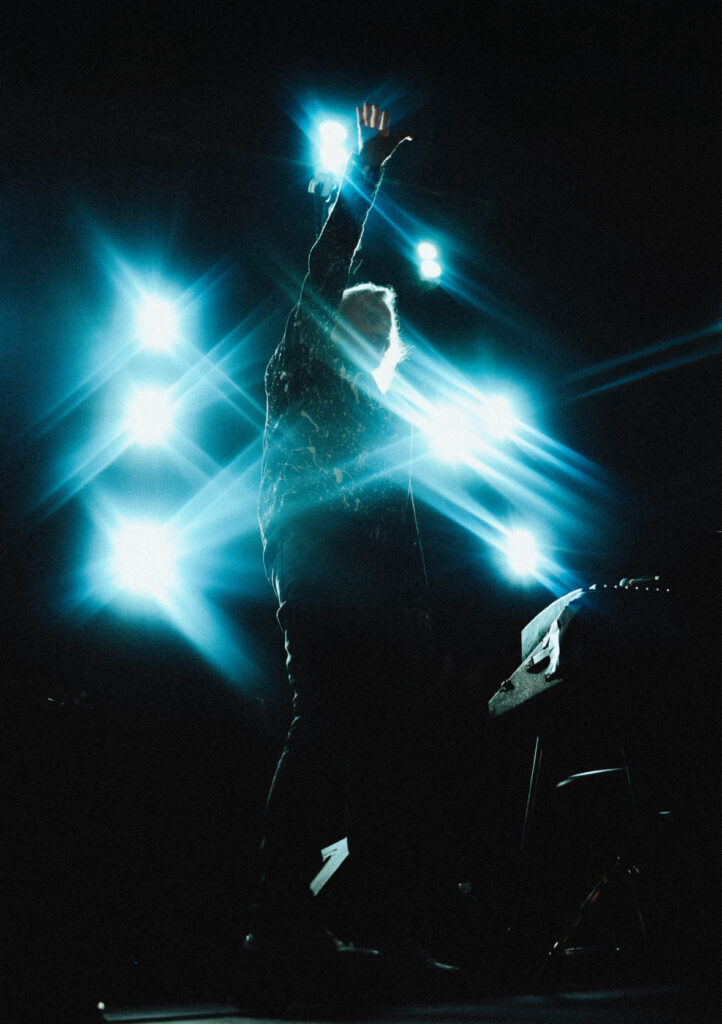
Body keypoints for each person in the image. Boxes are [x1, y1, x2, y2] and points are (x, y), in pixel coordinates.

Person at [250, 103, 440, 964]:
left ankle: (382, 925)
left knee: (390, 752)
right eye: (363, 320)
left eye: (386, 329)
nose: (378, 333)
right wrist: (369, 169)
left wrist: (421, 614)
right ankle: (277, 922)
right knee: (324, 729)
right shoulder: (300, 362)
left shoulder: (387, 419)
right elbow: (330, 259)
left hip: (381, 595)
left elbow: (403, 522)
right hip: (318, 565)